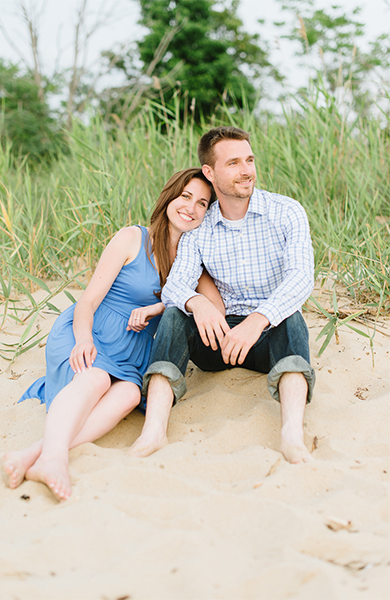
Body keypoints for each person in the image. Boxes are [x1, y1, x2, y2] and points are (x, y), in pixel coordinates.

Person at [4, 168, 224, 501]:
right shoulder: (132, 239)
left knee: (130, 397)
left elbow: (214, 309)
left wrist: (160, 307)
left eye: (203, 204)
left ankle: (34, 453)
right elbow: (88, 301)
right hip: (93, 331)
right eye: (185, 196)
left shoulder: (193, 262)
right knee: (96, 381)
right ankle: (53, 458)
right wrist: (83, 339)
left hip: (134, 350)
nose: (191, 208)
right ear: (170, 197)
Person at [130, 126, 315, 463]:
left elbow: (301, 278)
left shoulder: (287, 212)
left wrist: (258, 320)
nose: (246, 170)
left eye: (249, 160)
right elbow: (175, 285)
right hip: (217, 337)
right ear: (210, 172)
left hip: (268, 334)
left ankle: (291, 435)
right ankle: (154, 430)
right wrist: (197, 302)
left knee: (292, 317)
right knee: (174, 315)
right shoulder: (200, 226)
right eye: (233, 163)